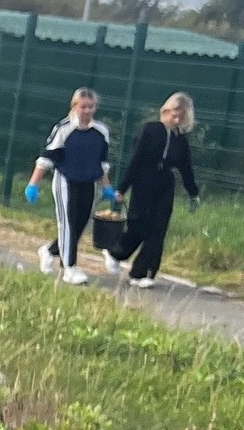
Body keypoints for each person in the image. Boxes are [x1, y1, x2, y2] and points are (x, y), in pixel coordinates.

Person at [107, 91, 198, 289]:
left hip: (165, 182)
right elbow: (136, 160)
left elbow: (185, 166)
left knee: (158, 229)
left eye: (180, 117)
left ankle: (143, 272)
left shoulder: (180, 138)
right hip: (144, 179)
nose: (176, 120)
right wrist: (122, 188)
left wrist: (193, 192)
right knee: (138, 224)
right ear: (166, 110)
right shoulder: (149, 130)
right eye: (174, 114)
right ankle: (116, 252)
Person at [30, 88, 113, 285]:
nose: (87, 110)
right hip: (66, 180)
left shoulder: (101, 131)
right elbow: (47, 157)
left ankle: (49, 251)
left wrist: (106, 186)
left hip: (89, 182)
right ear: (75, 106)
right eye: (83, 106)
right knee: (67, 223)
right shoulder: (64, 128)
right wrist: (33, 184)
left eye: (90, 107)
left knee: (80, 225)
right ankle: (69, 268)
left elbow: (103, 162)